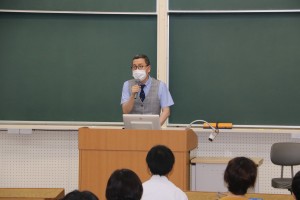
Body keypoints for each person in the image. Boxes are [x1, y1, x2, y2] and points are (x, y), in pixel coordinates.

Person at [121, 54, 174, 125]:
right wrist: (132, 95)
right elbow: (125, 111)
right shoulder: (127, 84)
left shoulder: (161, 85)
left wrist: (155, 127)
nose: (137, 70)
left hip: (153, 131)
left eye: (140, 66)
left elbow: (166, 111)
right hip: (132, 130)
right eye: (134, 67)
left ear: (148, 68)